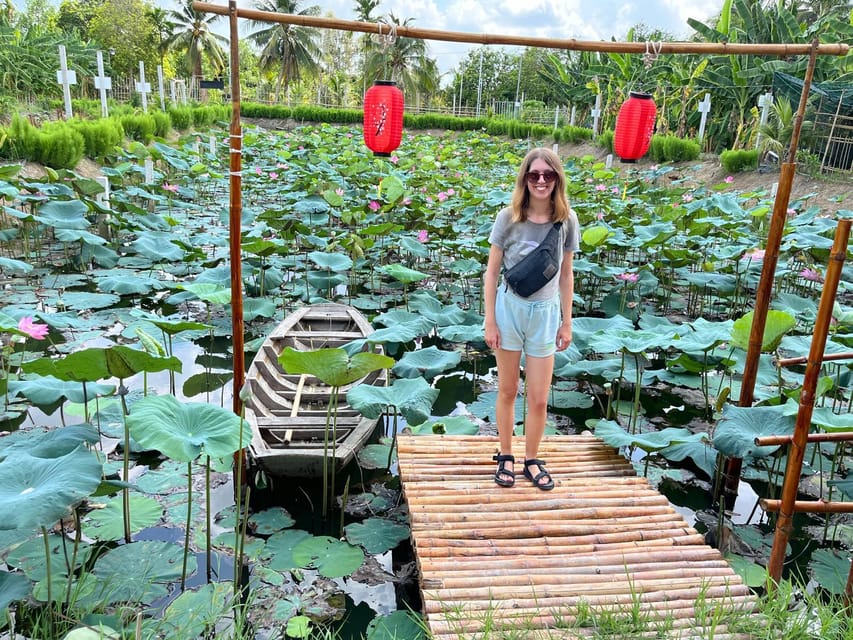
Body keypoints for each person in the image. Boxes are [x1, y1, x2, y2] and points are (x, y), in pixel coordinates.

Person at [483, 147, 579, 490]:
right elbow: (492, 272)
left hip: (545, 313)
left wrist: (567, 322)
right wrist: (489, 320)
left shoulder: (566, 220)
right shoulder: (508, 217)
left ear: (557, 180)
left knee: (538, 396)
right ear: (525, 178)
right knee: (508, 389)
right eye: (534, 175)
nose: (541, 181)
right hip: (509, 309)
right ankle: (506, 454)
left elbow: (566, 275)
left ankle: (532, 459)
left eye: (548, 175)